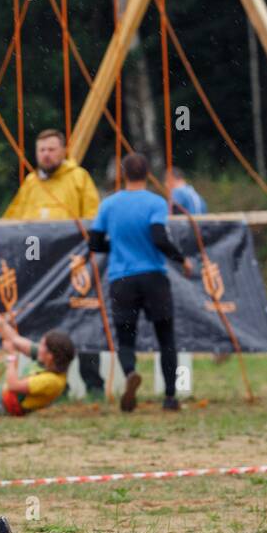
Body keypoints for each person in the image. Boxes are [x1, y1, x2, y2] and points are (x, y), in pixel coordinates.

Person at [88, 152, 195, 413]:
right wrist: (182, 259)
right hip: (153, 277)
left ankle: (130, 373)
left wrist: (113, 245)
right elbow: (158, 237)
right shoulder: (156, 203)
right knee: (165, 337)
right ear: (148, 175)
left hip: (121, 278)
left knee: (126, 338)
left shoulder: (109, 205)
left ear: (123, 175)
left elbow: (93, 242)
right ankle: (170, 398)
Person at [4, 128, 105, 398]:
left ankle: (94, 383)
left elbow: (94, 219)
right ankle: (54, 385)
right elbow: (12, 221)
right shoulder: (31, 182)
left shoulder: (78, 178)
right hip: (40, 272)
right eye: (41, 150)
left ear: (63, 151)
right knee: (46, 329)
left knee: (85, 322)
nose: (46, 155)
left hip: (74, 268)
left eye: (51, 149)